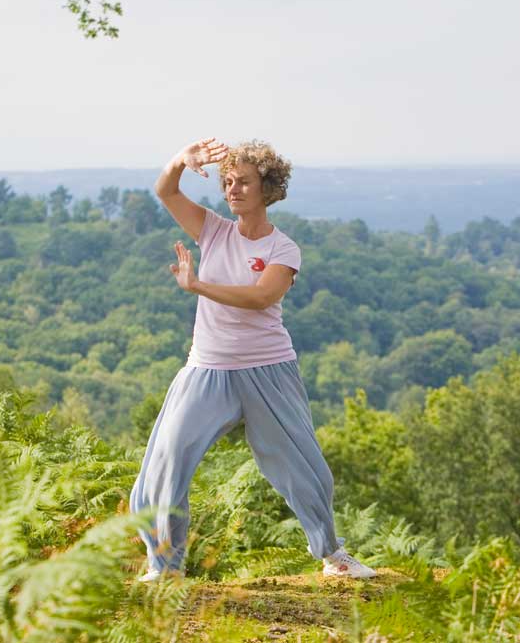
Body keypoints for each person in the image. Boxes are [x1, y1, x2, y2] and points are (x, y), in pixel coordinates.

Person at [128, 138, 376, 581]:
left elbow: (263, 298)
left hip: (270, 370)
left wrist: (198, 287)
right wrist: (182, 160)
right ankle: (164, 566)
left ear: (268, 188)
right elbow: (165, 191)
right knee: (166, 460)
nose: (233, 188)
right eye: (227, 181)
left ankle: (332, 556)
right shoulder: (212, 230)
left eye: (243, 181)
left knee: (305, 467)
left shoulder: (284, 249)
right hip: (208, 370)